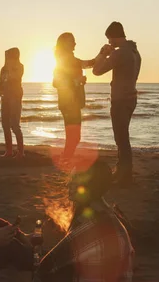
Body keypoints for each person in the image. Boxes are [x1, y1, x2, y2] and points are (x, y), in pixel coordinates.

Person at [36, 160, 134, 281]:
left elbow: (46, 266)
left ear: (89, 186)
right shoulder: (107, 214)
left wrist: (46, 245)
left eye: (74, 180)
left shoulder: (90, 224)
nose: (68, 184)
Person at [93, 22, 142, 184]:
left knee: (121, 138)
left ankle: (124, 174)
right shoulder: (135, 52)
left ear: (113, 37)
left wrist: (103, 54)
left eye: (109, 39)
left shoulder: (120, 53)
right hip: (131, 97)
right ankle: (122, 171)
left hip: (120, 99)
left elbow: (97, 71)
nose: (109, 43)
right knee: (123, 136)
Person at [53, 32, 95, 163]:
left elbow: (88, 63)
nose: (75, 43)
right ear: (65, 43)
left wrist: (103, 54)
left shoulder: (71, 59)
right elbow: (56, 82)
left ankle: (66, 157)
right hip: (69, 102)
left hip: (72, 101)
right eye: (72, 41)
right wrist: (77, 81)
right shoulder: (63, 60)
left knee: (73, 135)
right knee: (74, 136)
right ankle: (66, 158)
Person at [0, 48, 25, 158]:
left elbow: (16, 77)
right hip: (5, 97)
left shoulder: (19, 67)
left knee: (14, 124)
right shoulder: (3, 69)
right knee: (5, 124)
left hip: (15, 96)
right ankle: (9, 150)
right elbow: (0, 82)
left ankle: (21, 151)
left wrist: (10, 68)